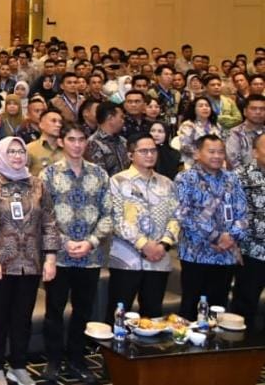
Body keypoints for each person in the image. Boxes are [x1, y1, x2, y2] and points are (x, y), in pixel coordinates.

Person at [0, 136, 57, 385]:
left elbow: (49, 222)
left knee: (22, 318)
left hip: (30, 263)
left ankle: (18, 366)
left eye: (20, 151)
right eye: (11, 152)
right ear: (1, 155)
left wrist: (50, 258)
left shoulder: (38, 185)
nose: (17, 156)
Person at [40, 123, 112, 384]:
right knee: (54, 310)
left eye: (82, 139)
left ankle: (76, 360)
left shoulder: (99, 174)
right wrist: (63, 241)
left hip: (89, 256)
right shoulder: (48, 174)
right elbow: (43, 215)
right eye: (71, 139)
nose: (77, 144)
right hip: (59, 256)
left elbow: (108, 214)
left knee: (83, 310)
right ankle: (53, 360)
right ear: (61, 142)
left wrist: (91, 242)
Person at [107, 133, 180, 322]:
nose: (150, 155)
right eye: (144, 151)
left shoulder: (167, 184)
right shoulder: (118, 181)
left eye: (153, 150)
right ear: (131, 155)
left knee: (152, 315)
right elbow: (116, 219)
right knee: (118, 314)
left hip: (159, 259)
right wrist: (144, 244)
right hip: (126, 259)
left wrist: (164, 244)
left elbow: (176, 217)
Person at [175, 133, 248, 319]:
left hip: (226, 255)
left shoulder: (232, 178)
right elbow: (182, 214)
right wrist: (216, 237)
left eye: (220, 152)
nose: (217, 156)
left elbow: (243, 213)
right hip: (196, 254)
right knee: (191, 308)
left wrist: (231, 237)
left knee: (219, 309)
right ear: (197, 153)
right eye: (211, 151)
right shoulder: (186, 178)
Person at [232, 133, 265, 329]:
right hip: (251, 250)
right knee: (245, 305)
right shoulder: (240, 176)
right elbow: (232, 214)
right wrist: (234, 244)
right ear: (255, 152)